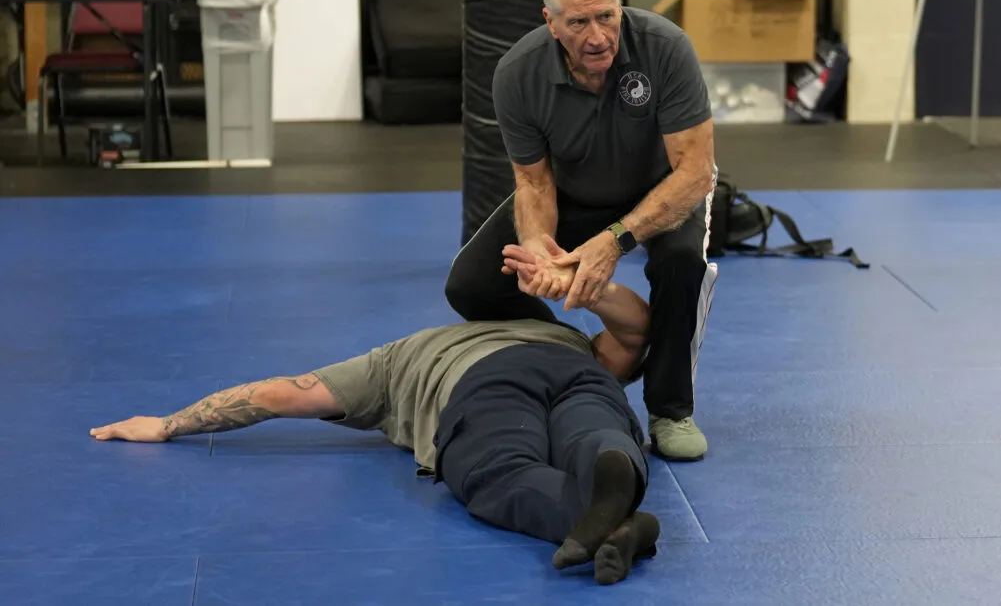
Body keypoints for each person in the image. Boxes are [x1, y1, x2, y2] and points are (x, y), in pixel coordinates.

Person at [89, 243, 659, 586]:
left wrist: (170, 424)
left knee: (499, 470)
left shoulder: (399, 357)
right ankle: (611, 465)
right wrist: (587, 287)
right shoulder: (562, 332)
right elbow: (638, 334)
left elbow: (282, 394)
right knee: (593, 424)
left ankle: (601, 517)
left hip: (483, 384)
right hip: (575, 369)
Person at [445, 0, 718, 462]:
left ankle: (670, 408)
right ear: (550, 22)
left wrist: (615, 241)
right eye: (578, 23)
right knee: (471, 285)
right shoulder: (518, 74)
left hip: (664, 188)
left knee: (681, 264)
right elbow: (533, 181)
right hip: (575, 189)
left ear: (620, 7)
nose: (597, 37)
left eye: (606, 17)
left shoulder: (665, 47)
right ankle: (584, 357)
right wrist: (540, 250)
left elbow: (695, 172)